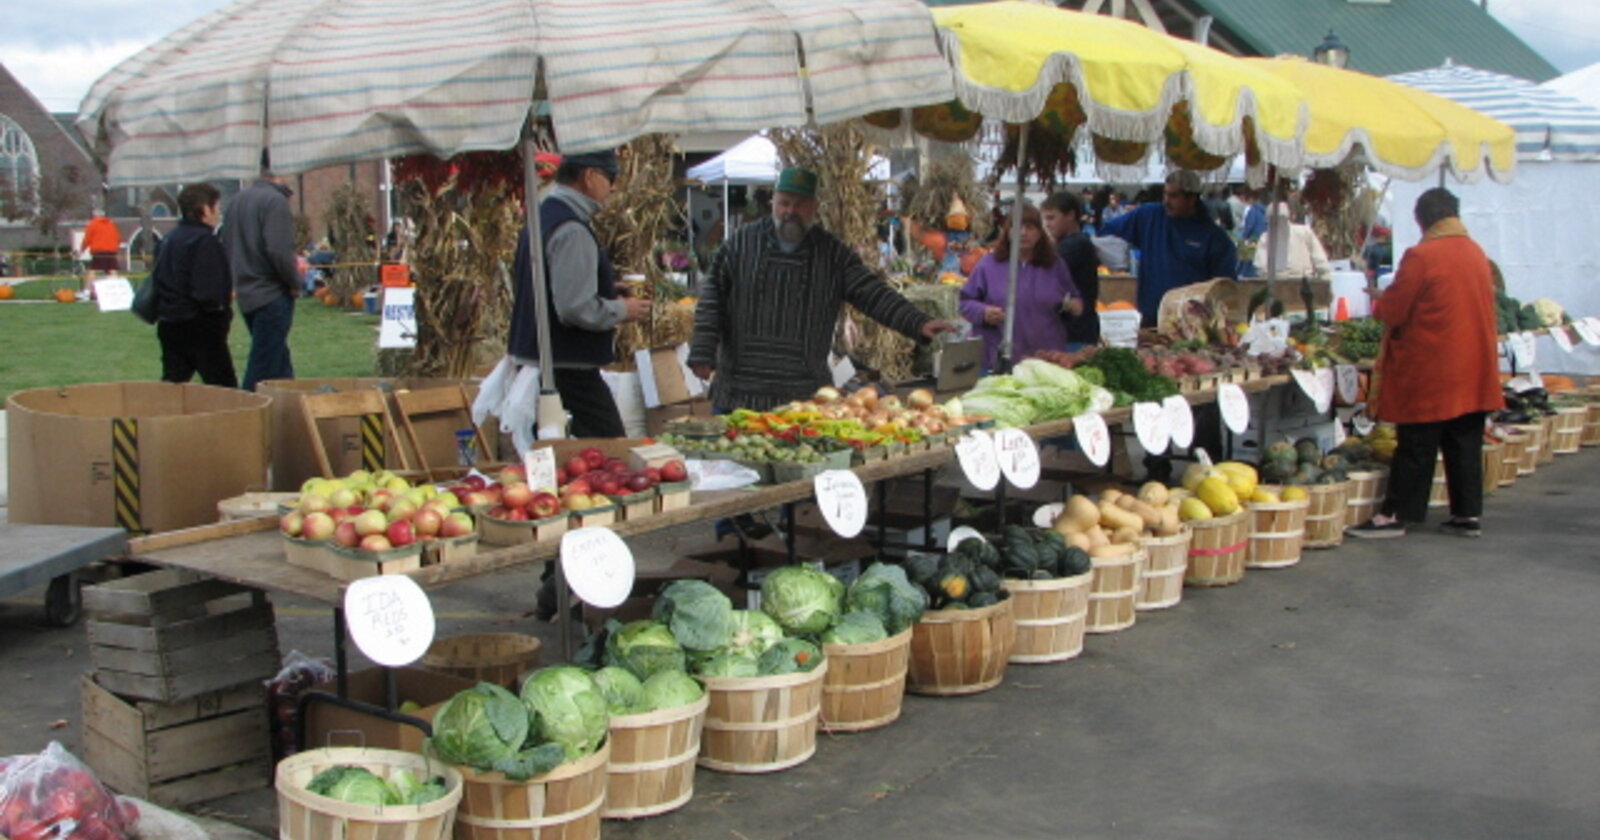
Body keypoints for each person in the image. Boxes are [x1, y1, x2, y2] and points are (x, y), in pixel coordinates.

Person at [688, 167, 955, 412]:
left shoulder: (831, 254)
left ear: (814, 207)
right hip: (739, 393)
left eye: (800, 204)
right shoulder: (740, 245)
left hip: (804, 400)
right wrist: (703, 351)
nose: (790, 211)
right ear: (773, 203)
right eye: (784, 203)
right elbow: (712, 299)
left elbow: (872, 293)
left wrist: (917, 322)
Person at [1350, 188, 1503, 539]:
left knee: (1417, 443)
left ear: (1422, 220)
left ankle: (1397, 514)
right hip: (1474, 365)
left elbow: (1394, 310)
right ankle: (1467, 514)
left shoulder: (1422, 255)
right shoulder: (1476, 252)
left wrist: (1379, 300)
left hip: (1434, 367)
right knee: (1464, 442)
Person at [507, 149, 651, 438]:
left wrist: (607, 289)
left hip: (541, 364)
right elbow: (574, 307)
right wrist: (624, 310)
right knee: (611, 453)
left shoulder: (543, 216)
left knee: (558, 457)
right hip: (567, 371)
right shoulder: (571, 229)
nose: (613, 188)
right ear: (589, 176)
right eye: (611, 178)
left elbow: (548, 285)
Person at [1098, 170, 1238, 326]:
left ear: (1191, 199)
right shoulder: (1149, 216)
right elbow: (1107, 233)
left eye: (1173, 196)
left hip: (1193, 324)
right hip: (1151, 319)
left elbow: (1225, 288)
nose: (1166, 201)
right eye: (1165, 194)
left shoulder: (1214, 237)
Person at [958, 203, 1082, 371]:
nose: (1023, 233)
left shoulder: (1055, 266)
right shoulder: (988, 264)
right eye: (1017, 227)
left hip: (1047, 358)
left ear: (1040, 232)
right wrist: (983, 312)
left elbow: (1076, 300)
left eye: (1030, 227)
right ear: (1007, 232)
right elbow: (965, 302)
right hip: (1000, 357)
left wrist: (1073, 306)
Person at [222, 159, 299, 390]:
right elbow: (278, 249)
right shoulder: (275, 201)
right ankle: (246, 415)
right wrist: (294, 281)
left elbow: (228, 244)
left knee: (278, 360)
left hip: (247, 293)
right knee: (263, 364)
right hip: (271, 292)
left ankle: (290, 407)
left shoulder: (237, 201)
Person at [153, 184, 236, 387]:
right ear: (204, 209)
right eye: (216, 207)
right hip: (200, 325)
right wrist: (221, 313)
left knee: (173, 386)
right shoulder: (205, 241)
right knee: (224, 390)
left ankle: (163, 417)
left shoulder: (168, 240)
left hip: (170, 321)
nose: (218, 213)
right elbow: (209, 291)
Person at [1041, 192, 1100, 347]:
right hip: (1072, 331)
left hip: (1075, 333)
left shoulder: (1075, 244)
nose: (1047, 224)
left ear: (1071, 215)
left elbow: (1043, 268)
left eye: (1052, 218)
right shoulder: (1069, 243)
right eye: (1045, 218)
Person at [1252, 203, 1332, 281]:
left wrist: (1325, 279)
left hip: (1302, 281)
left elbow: (1320, 260)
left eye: (1280, 218)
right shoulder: (1265, 237)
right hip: (1277, 282)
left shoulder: (1304, 232)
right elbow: (1260, 266)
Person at [83, 208, 121, 277]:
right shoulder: (111, 225)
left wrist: (82, 249)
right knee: (112, 269)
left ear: (94, 216)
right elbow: (118, 239)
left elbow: (87, 239)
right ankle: (115, 285)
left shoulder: (93, 224)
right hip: (111, 251)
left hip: (99, 251)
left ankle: (88, 287)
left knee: (93, 270)